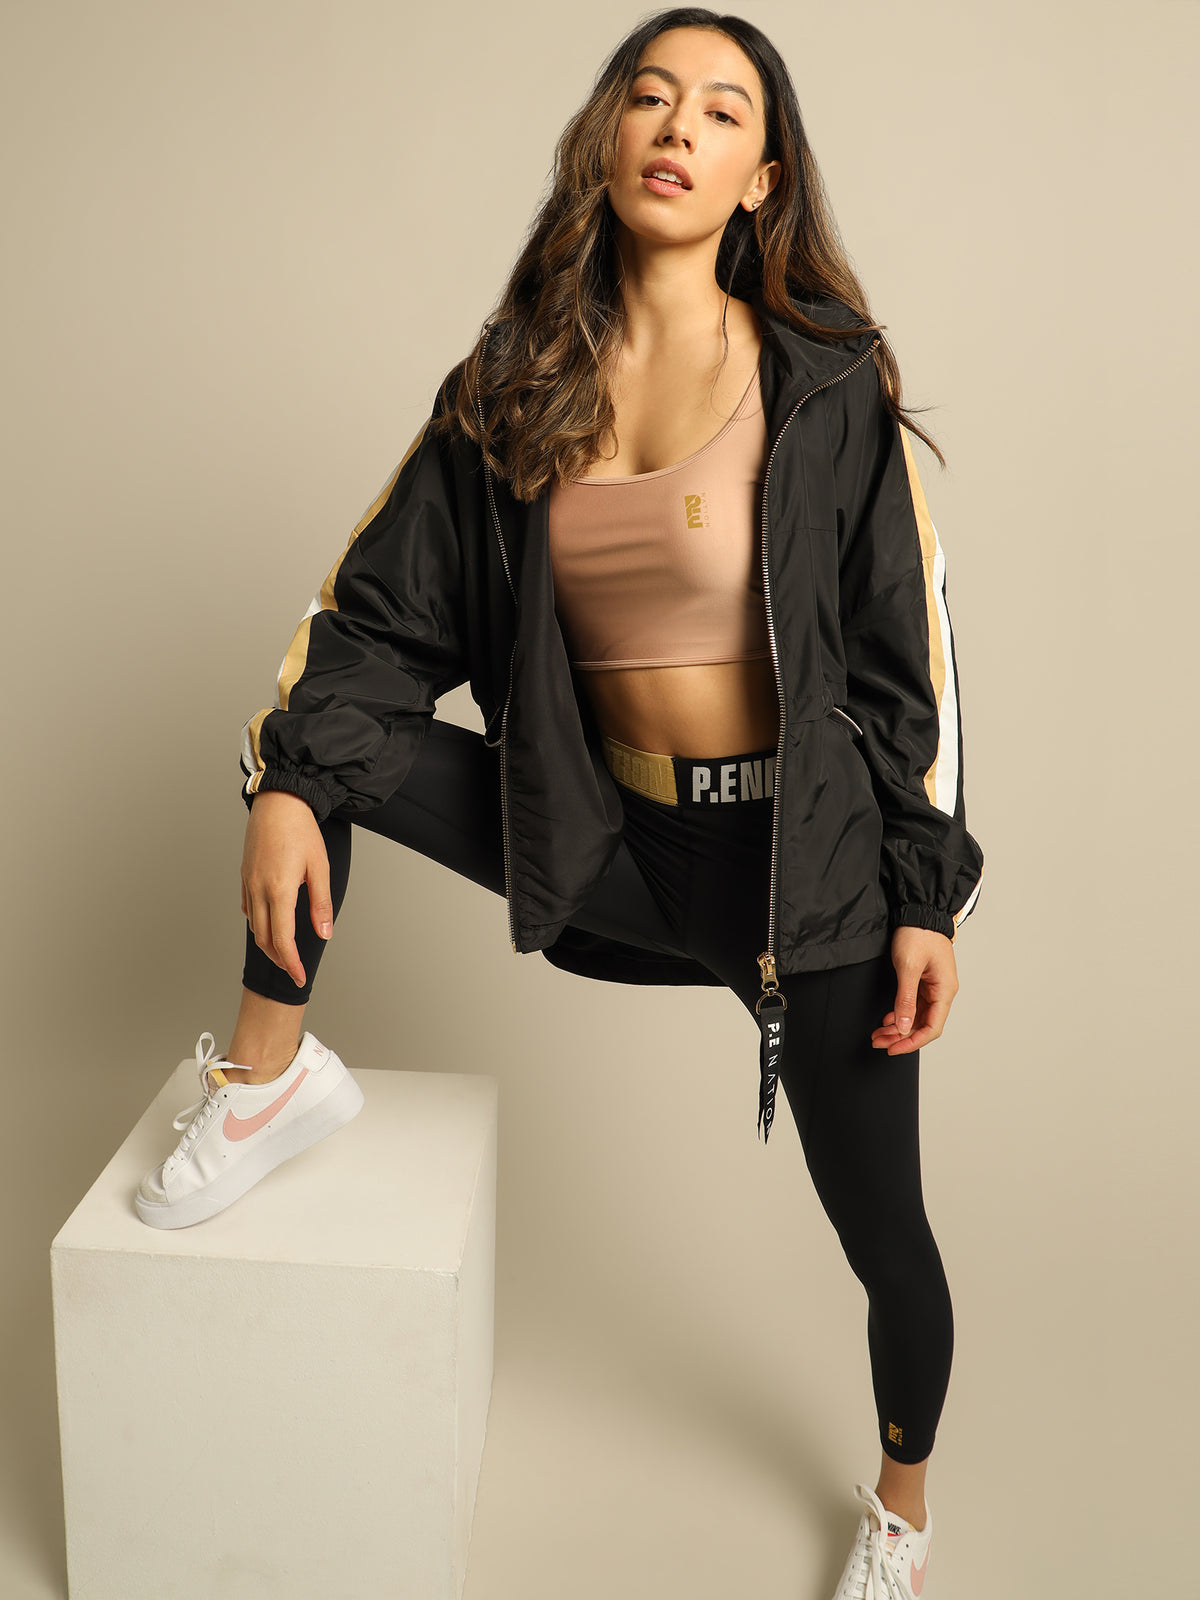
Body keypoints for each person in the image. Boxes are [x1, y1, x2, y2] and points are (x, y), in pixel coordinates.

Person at [135, 11, 984, 1598]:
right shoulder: (516, 381)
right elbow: (376, 613)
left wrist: (927, 896)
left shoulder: (825, 382)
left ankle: (903, 1513)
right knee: (320, 749)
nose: (677, 126)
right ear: (609, 136)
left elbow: (907, 648)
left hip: (810, 876)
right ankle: (267, 1078)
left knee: (887, 1238)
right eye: (650, 97)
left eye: (720, 111)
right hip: (610, 841)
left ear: (761, 178)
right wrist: (287, 782)